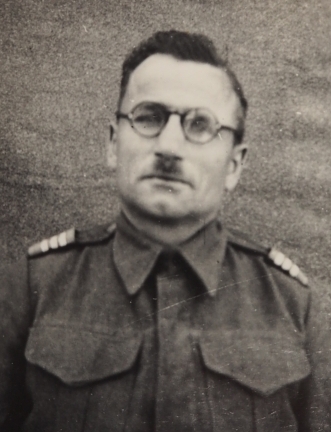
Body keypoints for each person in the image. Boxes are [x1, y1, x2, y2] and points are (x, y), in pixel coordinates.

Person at [0, 30, 330, 432]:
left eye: (200, 125)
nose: (170, 146)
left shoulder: (294, 305)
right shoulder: (30, 288)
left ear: (234, 166)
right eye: (148, 117)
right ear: (112, 141)